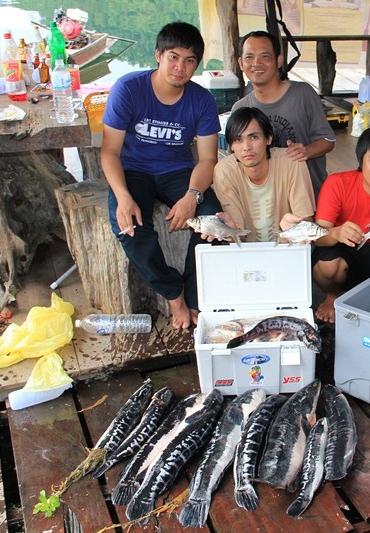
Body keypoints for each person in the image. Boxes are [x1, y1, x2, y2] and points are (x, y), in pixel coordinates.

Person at [101, 21, 222, 331]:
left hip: (178, 171)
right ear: (158, 55)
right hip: (134, 170)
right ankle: (173, 293)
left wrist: (192, 198)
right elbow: (110, 152)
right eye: (173, 57)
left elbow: (208, 159)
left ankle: (195, 296)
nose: (180, 68)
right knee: (129, 226)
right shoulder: (129, 89)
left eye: (190, 60)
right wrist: (124, 198)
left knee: (213, 223)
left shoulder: (202, 100)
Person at [312, 127, 370, 323]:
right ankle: (334, 295)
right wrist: (337, 232)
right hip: (341, 248)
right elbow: (319, 238)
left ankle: (368, 298)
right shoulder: (337, 183)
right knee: (328, 267)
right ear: (361, 160)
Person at [233, 30, 336, 198]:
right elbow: (238, 158)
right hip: (265, 200)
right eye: (249, 57)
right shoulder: (240, 109)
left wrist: (306, 151)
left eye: (265, 56)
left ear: (279, 60)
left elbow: (328, 141)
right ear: (240, 63)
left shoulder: (303, 94)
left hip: (310, 196)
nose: (256, 63)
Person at [213, 107, 316, 242]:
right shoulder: (224, 172)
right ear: (231, 145)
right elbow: (238, 236)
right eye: (238, 140)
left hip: (287, 250)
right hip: (246, 256)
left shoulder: (292, 162)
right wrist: (231, 231)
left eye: (254, 137)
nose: (246, 147)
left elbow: (306, 223)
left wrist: (293, 229)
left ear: (268, 138)